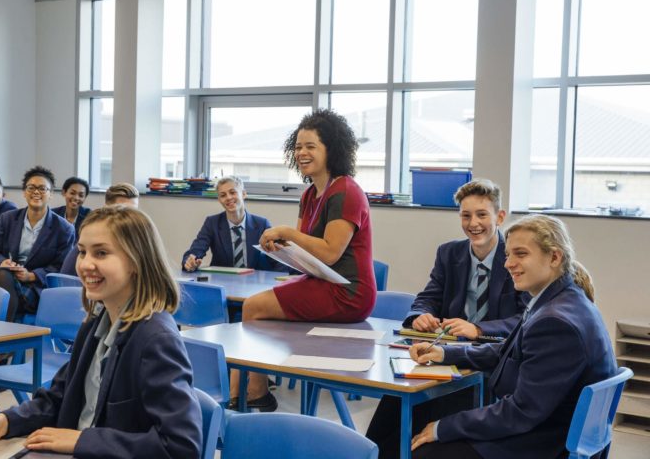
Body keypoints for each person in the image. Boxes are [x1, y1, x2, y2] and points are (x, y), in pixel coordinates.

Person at [0, 206, 203, 459]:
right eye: (82, 252)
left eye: (101, 253)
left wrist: (83, 440)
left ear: (136, 261)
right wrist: (6, 422)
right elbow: (58, 399)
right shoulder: (95, 324)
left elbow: (180, 447)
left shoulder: (155, 339)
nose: (86, 264)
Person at [369, 214, 617, 459]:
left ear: (554, 257)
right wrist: (445, 352)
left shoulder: (555, 321)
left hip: (544, 443)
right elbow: (508, 351)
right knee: (400, 421)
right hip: (548, 430)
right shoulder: (560, 301)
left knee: (422, 448)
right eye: (508, 255)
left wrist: (443, 427)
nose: (508, 263)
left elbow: (521, 412)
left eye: (521, 254)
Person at [229, 109, 376, 412]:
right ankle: (250, 392)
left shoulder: (346, 191)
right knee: (257, 306)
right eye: (298, 146)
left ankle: (251, 394)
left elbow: (330, 252)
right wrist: (280, 246)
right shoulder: (310, 194)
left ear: (330, 149)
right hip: (323, 282)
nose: (302, 153)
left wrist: (286, 233)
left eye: (311, 146)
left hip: (348, 292)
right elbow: (306, 253)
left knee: (252, 307)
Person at [403, 179, 528, 340]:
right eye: (466, 216)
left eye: (482, 214)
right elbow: (429, 298)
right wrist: (420, 315)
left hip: (497, 349)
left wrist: (478, 329)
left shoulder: (516, 258)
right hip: (452, 345)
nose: (473, 223)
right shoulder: (448, 253)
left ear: (500, 217)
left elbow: (526, 317)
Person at [0, 166, 75, 321]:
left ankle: (4, 336)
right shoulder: (8, 219)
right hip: (8, 279)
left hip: (37, 288)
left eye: (42, 188)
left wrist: (31, 276)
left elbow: (62, 268)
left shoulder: (64, 228)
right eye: (31, 187)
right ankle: (7, 335)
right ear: (24, 192)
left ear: (51, 194)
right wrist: (2, 262)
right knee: (2, 275)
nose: (36, 192)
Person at [182, 176, 285, 273]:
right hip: (223, 281)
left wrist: (277, 282)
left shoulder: (262, 224)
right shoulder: (212, 223)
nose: (228, 197)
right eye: (223, 195)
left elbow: (278, 259)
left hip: (254, 283)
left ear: (244, 194)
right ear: (219, 200)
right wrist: (190, 261)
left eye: (232, 192)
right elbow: (196, 250)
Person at [60, 183, 141, 276]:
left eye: (134, 212)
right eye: (122, 211)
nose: (129, 217)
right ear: (106, 209)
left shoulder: (139, 241)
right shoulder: (91, 241)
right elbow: (65, 279)